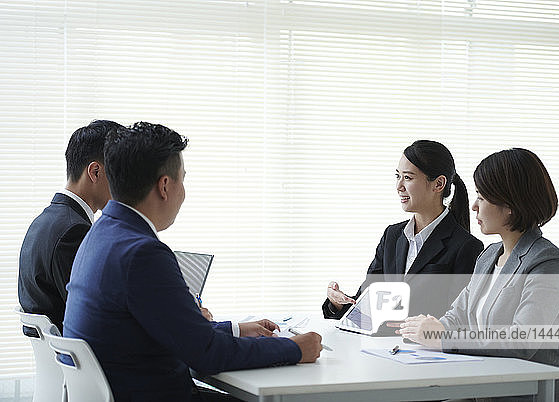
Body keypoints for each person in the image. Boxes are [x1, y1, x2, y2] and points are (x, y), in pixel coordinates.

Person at [63, 122, 322, 402]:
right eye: (182, 180)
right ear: (164, 185)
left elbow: (173, 329)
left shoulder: (100, 235)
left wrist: (234, 329)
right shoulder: (142, 253)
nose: (183, 192)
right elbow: (207, 354)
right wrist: (294, 348)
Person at [395, 148, 559, 401]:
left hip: (525, 395)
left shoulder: (546, 260)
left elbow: (522, 340)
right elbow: (458, 315)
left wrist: (442, 338)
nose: (474, 206)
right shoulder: (488, 255)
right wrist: (425, 328)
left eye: (482, 197)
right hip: (479, 389)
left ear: (509, 204)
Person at [323, 140, 483, 321]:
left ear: (438, 184)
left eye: (408, 177)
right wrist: (338, 303)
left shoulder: (467, 247)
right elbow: (365, 302)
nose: (399, 186)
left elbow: (457, 319)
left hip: (423, 348)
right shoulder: (392, 236)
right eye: (397, 176)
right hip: (381, 347)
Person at [18, 120, 122, 332]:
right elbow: (93, 316)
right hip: (79, 361)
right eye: (119, 173)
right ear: (95, 172)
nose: (124, 185)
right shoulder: (73, 232)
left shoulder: (44, 221)